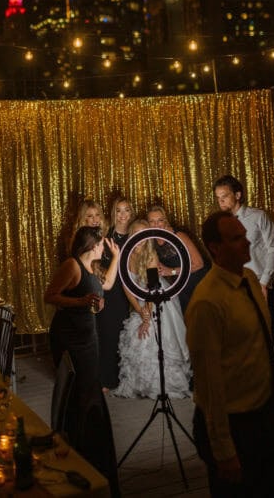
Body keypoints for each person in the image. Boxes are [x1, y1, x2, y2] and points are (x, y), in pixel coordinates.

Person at [185, 209, 274, 498]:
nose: (247, 242)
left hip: (266, 413)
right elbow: (209, 384)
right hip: (235, 425)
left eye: (244, 235)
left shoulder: (249, 279)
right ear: (215, 248)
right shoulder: (207, 303)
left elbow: (262, 341)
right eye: (237, 239)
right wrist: (223, 451)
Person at [44, 225, 120, 495]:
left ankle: (91, 454)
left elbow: (105, 286)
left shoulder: (93, 268)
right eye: (101, 244)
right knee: (81, 393)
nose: (103, 248)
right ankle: (77, 450)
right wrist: (81, 302)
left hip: (88, 336)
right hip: (70, 338)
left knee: (90, 391)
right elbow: (50, 295)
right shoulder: (72, 265)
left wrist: (118, 256)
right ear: (91, 245)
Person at [112, 218, 191, 399]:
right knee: (137, 335)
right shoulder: (125, 255)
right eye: (136, 235)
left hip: (156, 298)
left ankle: (161, 385)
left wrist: (147, 318)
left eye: (144, 236)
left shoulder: (151, 256)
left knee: (154, 335)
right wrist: (140, 312)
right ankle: (140, 383)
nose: (140, 240)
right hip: (139, 301)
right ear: (131, 235)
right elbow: (127, 287)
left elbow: (152, 289)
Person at [213, 175, 274, 322]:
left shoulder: (259, 217)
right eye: (218, 198)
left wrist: (264, 283)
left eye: (224, 196)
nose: (221, 201)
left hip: (258, 284)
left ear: (238, 195)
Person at [96, 196, 133, 391]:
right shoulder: (106, 236)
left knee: (129, 334)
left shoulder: (136, 233)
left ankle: (126, 378)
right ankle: (107, 379)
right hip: (112, 290)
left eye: (126, 210)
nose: (122, 215)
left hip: (133, 288)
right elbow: (98, 266)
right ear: (113, 213)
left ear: (131, 212)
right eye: (118, 210)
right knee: (110, 333)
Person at [146, 205, 211, 314]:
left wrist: (171, 271)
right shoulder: (150, 241)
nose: (156, 224)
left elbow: (199, 264)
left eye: (160, 220)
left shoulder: (178, 235)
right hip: (182, 285)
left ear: (165, 221)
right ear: (148, 224)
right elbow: (156, 268)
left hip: (199, 281)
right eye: (152, 221)